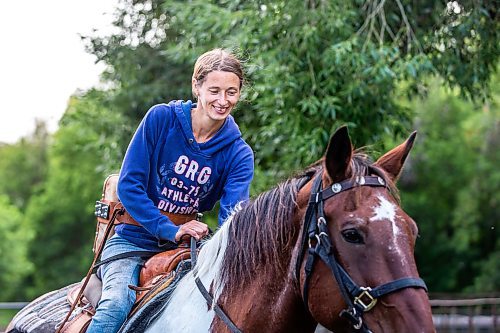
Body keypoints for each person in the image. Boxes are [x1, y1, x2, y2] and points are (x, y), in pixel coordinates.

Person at [86, 48, 254, 333]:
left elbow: (232, 219)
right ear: (196, 86)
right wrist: (170, 229)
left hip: (184, 251)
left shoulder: (239, 154)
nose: (223, 101)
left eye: (231, 92)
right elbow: (129, 186)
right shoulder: (161, 120)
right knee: (115, 305)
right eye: (214, 90)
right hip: (132, 239)